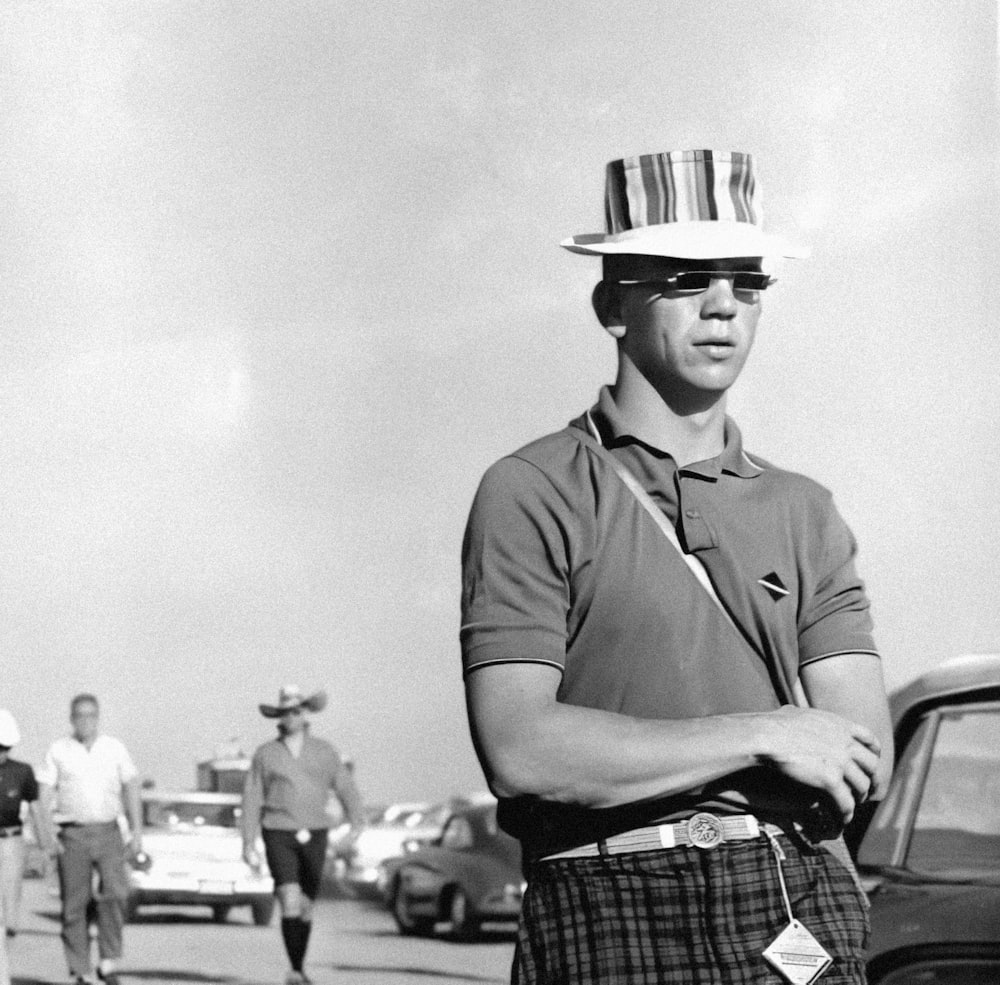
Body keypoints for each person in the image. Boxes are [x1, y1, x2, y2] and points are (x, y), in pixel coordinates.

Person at [460, 149, 894, 984]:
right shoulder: (532, 488)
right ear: (611, 304)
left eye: (748, 281)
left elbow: (860, 751)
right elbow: (522, 747)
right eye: (688, 278)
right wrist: (765, 737)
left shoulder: (803, 508)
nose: (725, 306)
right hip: (605, 894)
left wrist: (661, 761)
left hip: (789, 894)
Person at [241, 685, 365, 985]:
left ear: (306, 713)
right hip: (277, 831)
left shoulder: (325, 751)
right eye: (285, 711)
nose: (291, 716)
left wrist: (356, 825)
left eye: (296, 710)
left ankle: (299, 964)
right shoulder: (265, 754)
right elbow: (252, 796)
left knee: (307, 906)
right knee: (290, 898)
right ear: (278, 716)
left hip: (316, 832)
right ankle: (295, 972)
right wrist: (248, 842)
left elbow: (346, 787)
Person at [37, 694, 142, 985]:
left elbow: (131, 787)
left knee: (116, 894)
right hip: (72, 834)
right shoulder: (59, 750)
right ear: (71, 719)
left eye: (91, 715)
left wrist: (137, 834)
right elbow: (43, 795)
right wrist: (48, 838)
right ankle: (80, 969)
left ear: (98, 717)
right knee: (74, 904)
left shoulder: (114, 748)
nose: (86, 721)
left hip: (109, 832)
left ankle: (108, 962)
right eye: (80, 716)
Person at [0, 709, 52, 985]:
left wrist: (45, 847)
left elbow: (36, 811)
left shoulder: (22, 772)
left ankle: (3, 962)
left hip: (11, 844)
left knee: (9, 918)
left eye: (4, 748)